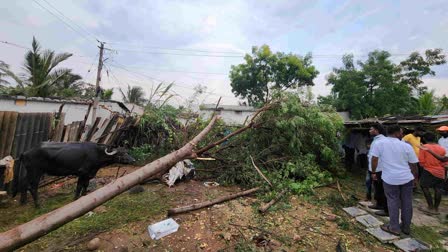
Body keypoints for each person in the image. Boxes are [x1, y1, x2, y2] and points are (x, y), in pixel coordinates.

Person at [370, 125, 418, 235]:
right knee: (407, 202)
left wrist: (373, 172)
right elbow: (413, 165)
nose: (402, 135)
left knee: (392, 201)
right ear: (396, 133)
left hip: (390, 179)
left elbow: (374, 159)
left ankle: (394, 227)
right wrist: (415, 178)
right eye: (401, 133)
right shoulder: (406, 146)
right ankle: (406, 227)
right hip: (406, 178)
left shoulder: (380, 143)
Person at [418, 132, 446, 215]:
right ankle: (436, 208)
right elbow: (444, 162)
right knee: (438, 189)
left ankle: (430, 207)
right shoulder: (441, 148)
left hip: (429, 170)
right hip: (441, 171)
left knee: (424, 186)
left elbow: (421, 162)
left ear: (425, 139)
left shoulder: (424, 147)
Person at [367, 124, 388, 216]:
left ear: (376, 130)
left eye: (371, 129)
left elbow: (375, 158)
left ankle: (385, 208)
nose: (369, 130)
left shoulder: (381, 141)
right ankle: (379, 204)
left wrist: (373, 171)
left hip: (379, 168)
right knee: (377, 187)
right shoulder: (377, 140)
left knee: (382, 188)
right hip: (375, 168)